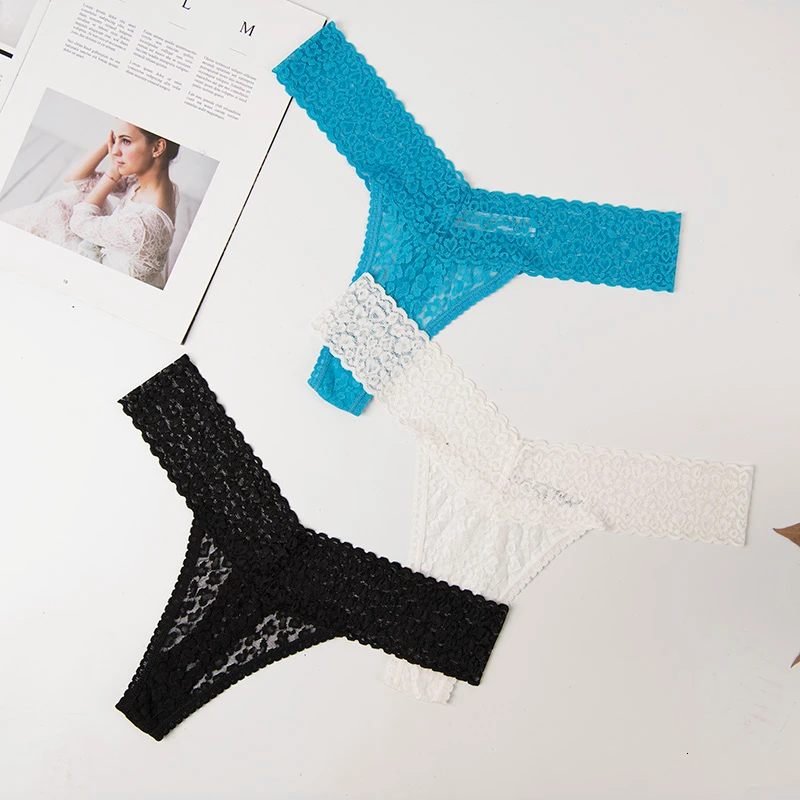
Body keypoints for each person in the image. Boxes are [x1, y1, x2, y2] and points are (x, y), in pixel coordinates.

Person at [0, 120, 180, 289]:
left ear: (157, 148)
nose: (114, 151)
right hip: (114, 255)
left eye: (126, 141)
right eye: (114, 140)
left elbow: (78, 222)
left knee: (54, 209)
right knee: (75, 198)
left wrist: (112, 172)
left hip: (107, 284)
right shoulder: (154, 186)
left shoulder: (142, 224)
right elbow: (76, 180)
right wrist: (109, 146)